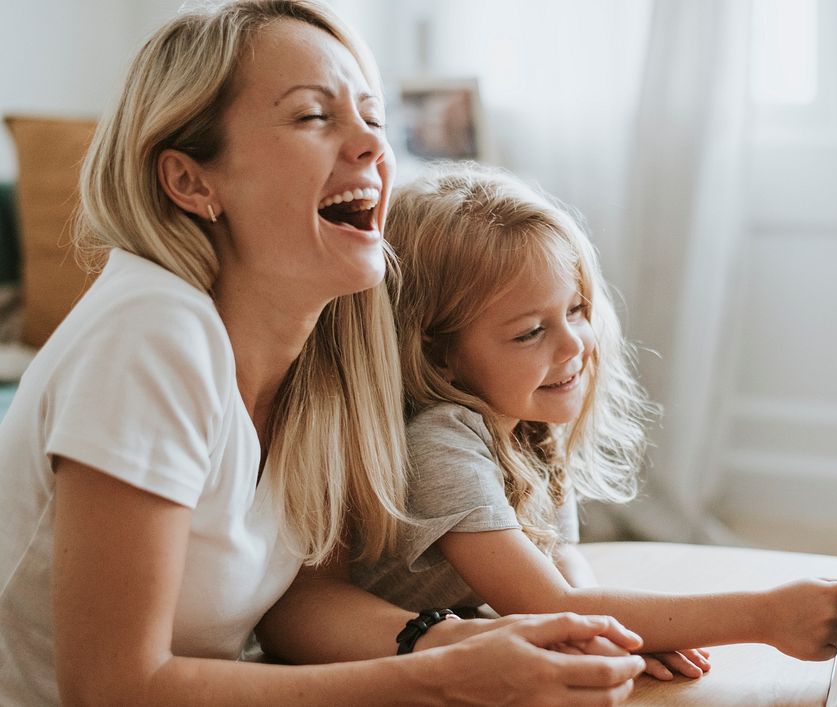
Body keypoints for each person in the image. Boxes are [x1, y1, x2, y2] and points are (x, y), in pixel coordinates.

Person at [0, 3, 648, 705]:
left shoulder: (320, 345)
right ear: (190, 181)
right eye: (314, 116)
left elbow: (300, 596)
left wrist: (448, 639)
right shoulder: (151, 332)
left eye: (373, 115)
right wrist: (436, 679)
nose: (371, 144)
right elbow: (111, 686)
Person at [356, 161, 837, 678]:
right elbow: (548, 604)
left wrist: (620, 631)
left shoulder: (523, 418)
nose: (575, 343)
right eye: (530, 332)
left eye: (575, 310)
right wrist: (764, 615)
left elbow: (560, 559)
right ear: (436, 353)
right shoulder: (441, 444)